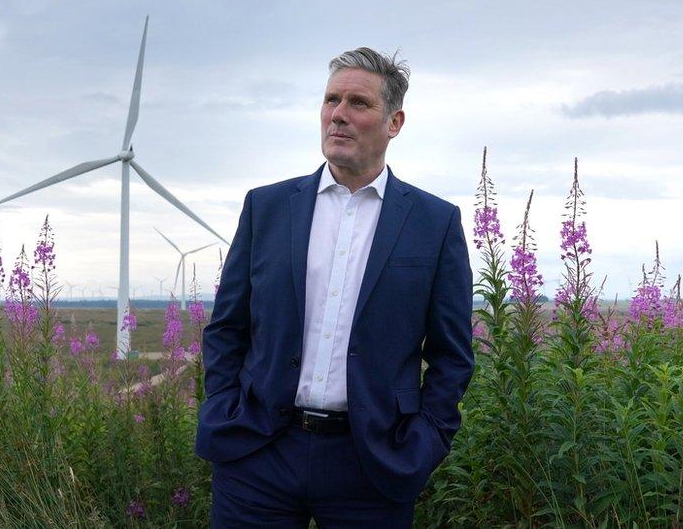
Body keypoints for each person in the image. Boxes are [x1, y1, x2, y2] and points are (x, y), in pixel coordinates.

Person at [195, 47, 475, 527]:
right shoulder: (267, 208)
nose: (338, 115)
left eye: (358, 104)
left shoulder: (435, 223)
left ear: (395, 122)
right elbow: (227, 328)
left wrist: (424, 440)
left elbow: (452, 354)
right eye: (331, 100)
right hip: (258, 454)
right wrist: (223, 405)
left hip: (373, 465)